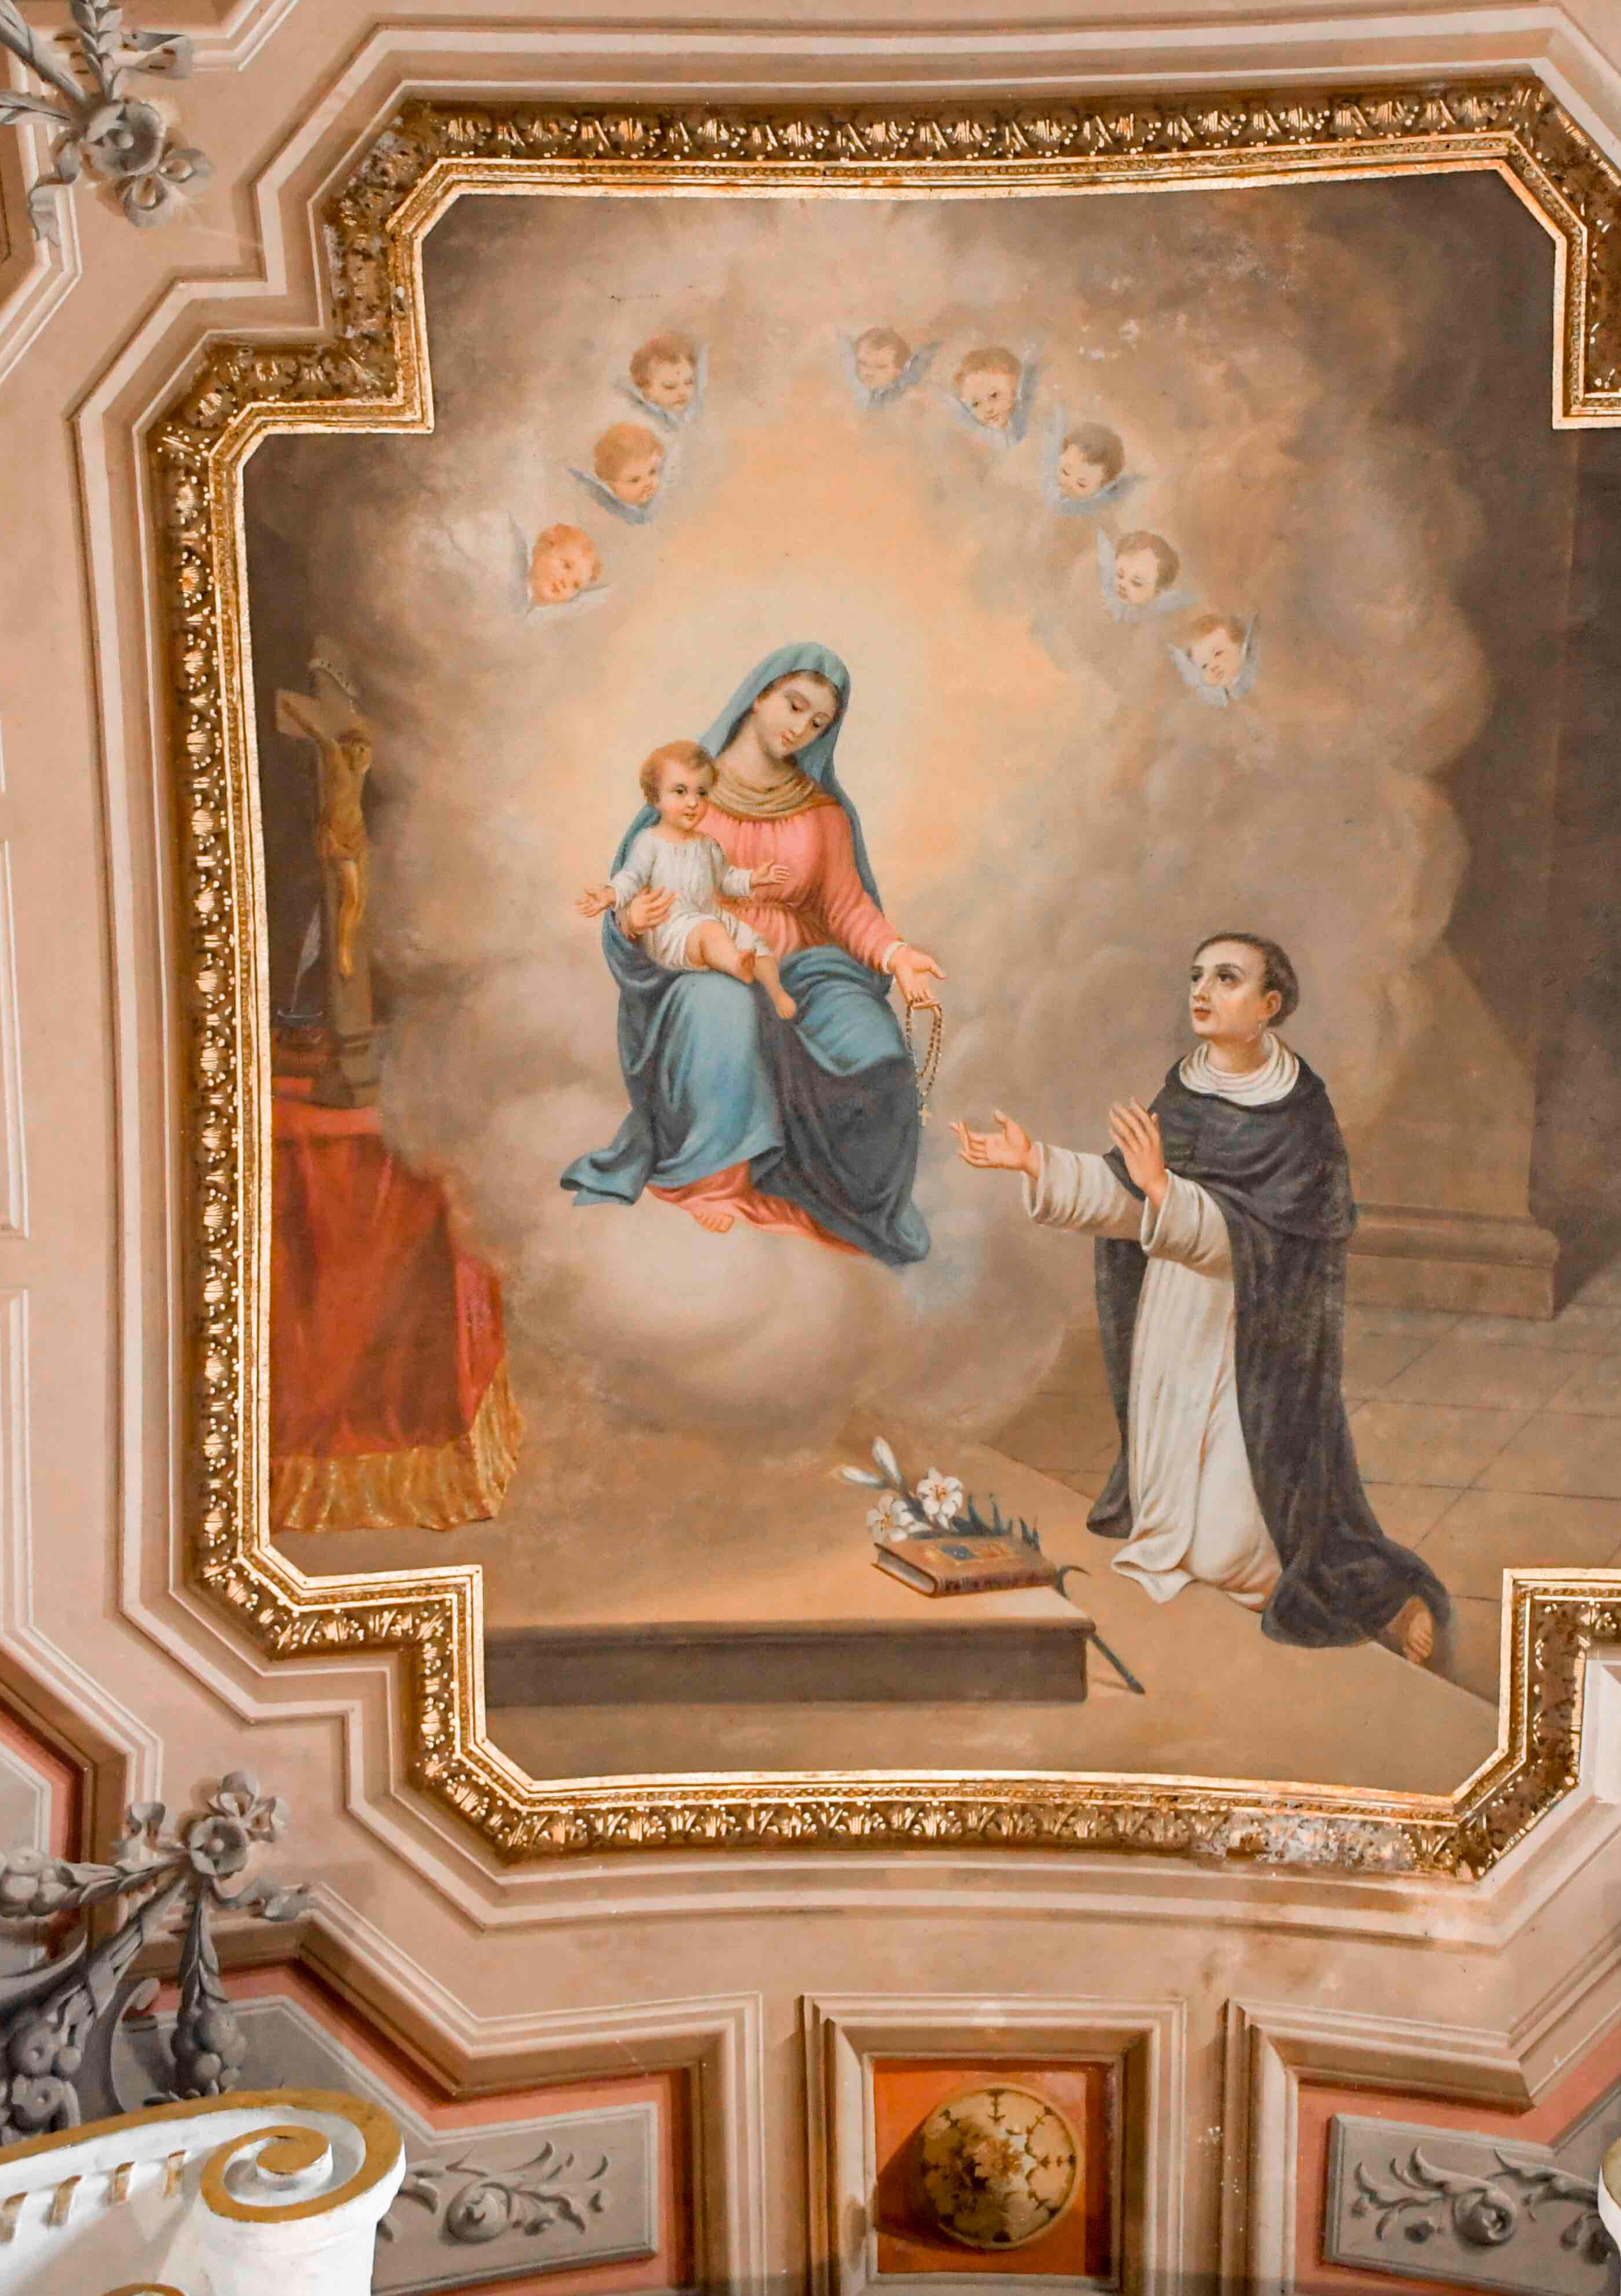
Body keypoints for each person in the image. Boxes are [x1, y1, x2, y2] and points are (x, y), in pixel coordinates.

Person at [954, 933, 1447, 1664]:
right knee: (1172, 1528)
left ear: (1269, 1005)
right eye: (1197, 976)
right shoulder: (1183, 1093)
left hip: (1253, 1337)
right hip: (1175, 1315)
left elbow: (1270, 1242)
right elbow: (1130, 1201)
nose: (1202, 991)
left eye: (1226, 978)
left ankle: (1385, 1601)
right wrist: (1036, 1163)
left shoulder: (1299, 1114)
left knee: (1236, 1556)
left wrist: (1163, 1189)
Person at [561, 645, 944, 1259]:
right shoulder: (688, 790)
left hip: (806, 971)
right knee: (726, 1004)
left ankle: (849, 1201)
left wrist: (896, 954)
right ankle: (718, 1180)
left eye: (818, 722)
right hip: (701, 965)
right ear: (759, 693)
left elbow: (846, 906)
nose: (801, 727)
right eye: (794, 705)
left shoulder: (821, 813)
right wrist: (630, 920)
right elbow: (633, 889)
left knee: (875, 1047)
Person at [583, 742, 795, 1020]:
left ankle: (777, 994)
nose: (693, 803)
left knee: (753, 940)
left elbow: (725, 880)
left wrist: (755, 878)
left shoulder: (708, 844)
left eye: (702, 793)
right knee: (711, 931)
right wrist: (610, 894)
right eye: (681, 792)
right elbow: (630, 878)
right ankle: (736, 964)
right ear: (656, 798)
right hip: (673, 929)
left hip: (708, 915)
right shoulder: (649, 842)